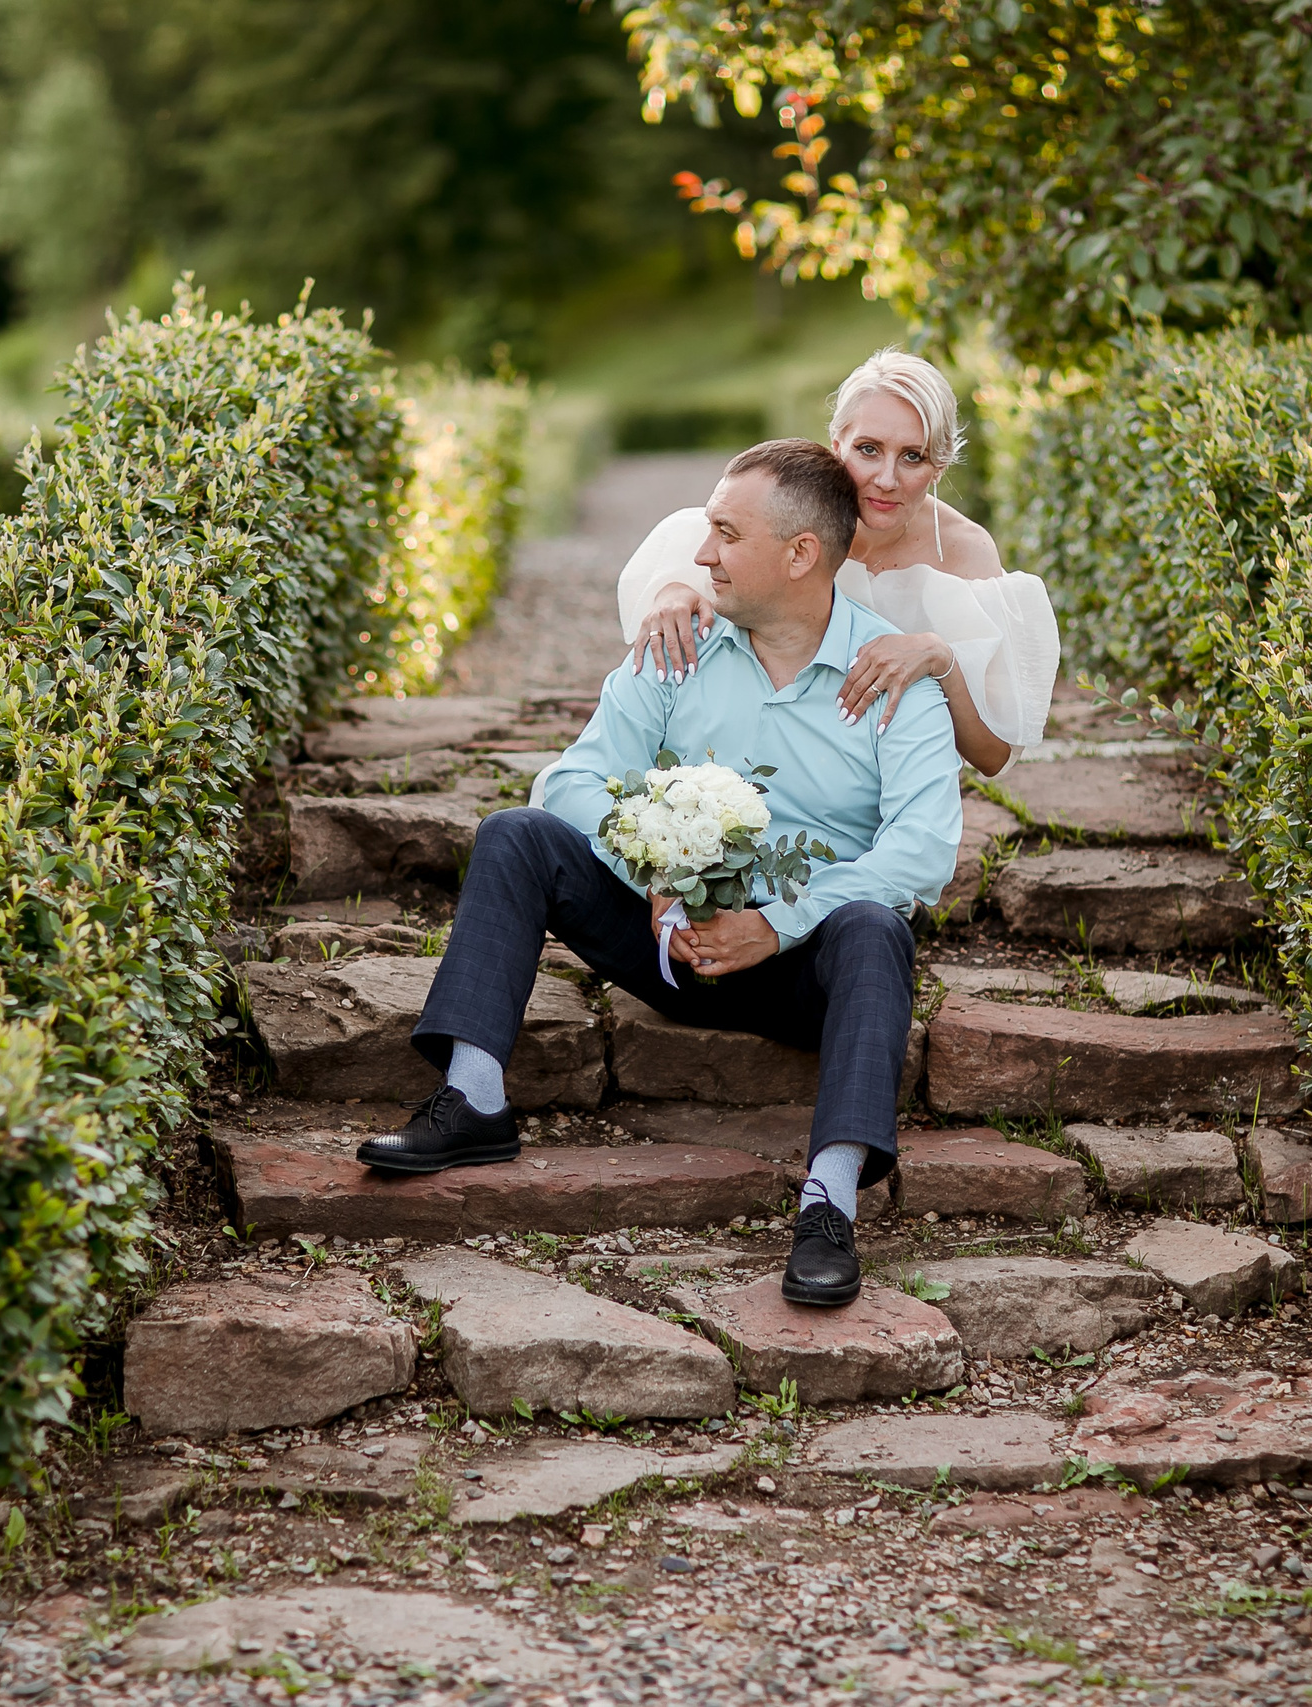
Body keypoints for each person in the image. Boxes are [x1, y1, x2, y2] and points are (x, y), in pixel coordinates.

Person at [358, 440, 964, 1309]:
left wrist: (776, 923)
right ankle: (473, 1099)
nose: (702, 553)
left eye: (724, 533)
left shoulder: (890, 676)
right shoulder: (679, 640)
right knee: (517, 833)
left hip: (801, 970)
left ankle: (828, 1204)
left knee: (876, 926)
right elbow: (569, 778)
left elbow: (922, 851)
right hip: (663, 938)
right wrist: (652, 866)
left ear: (800, 554)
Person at [618, 348, 1059, 777]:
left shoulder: (965, 554)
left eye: (913, 456)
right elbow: (717, 540)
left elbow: (993, 756)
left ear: (939, 466)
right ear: (837, 444)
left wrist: (940, 656)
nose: (886, 480)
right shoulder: (793, 511)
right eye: (868, 449)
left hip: (885, 780)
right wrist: (677, 587)